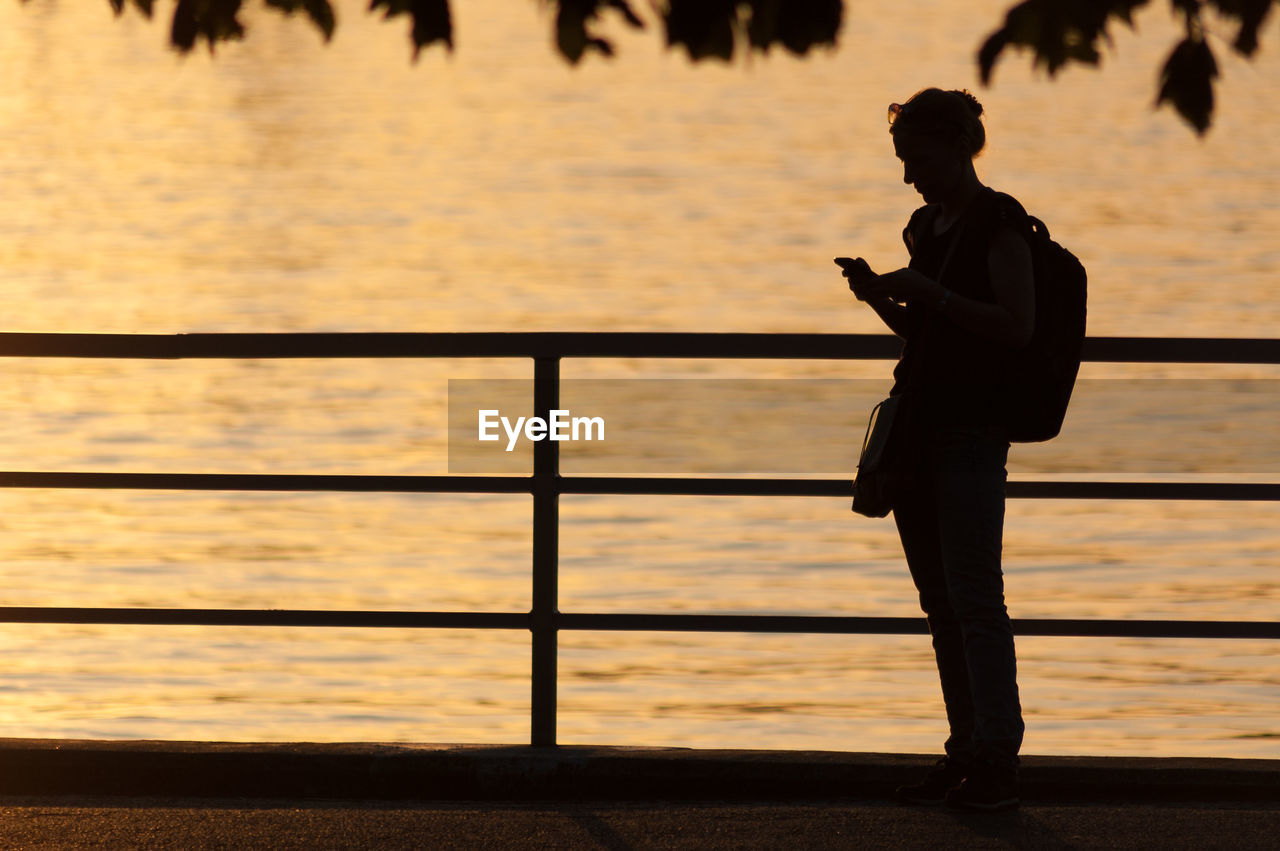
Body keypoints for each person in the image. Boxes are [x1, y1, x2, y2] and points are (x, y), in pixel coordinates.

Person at [841, 87, 1034, 811]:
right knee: (941, 604)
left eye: (916, 160)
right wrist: (880, 299)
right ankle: (965, 750)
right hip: (921, 433)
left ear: (958, 148)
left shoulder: (999, 224)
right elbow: (927, 337)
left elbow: (1015, 326)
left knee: (976, 600)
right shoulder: (924, 227)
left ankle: (998, 759)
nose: (908, 176)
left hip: (973, 434)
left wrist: (931, 293)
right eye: (901, 161)